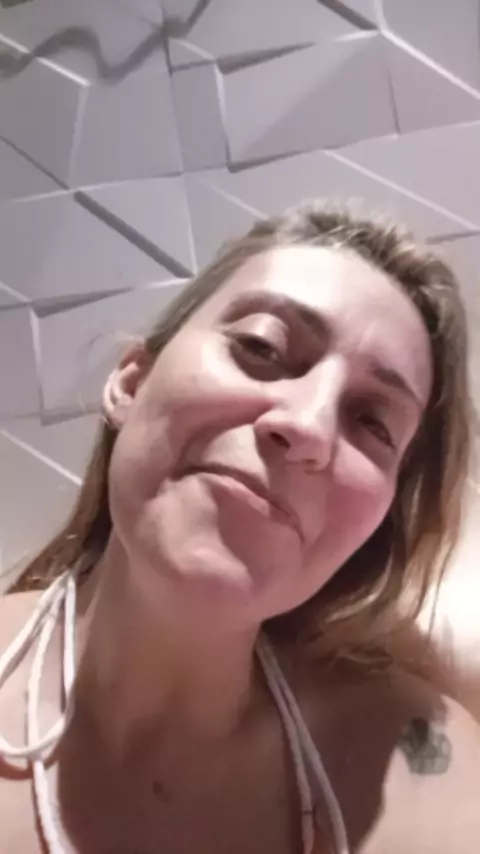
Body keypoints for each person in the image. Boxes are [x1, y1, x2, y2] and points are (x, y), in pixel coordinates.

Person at [0, 201, 479, 854]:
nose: (307, 425)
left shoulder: (429, 783)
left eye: (372, 421)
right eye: (261, 347)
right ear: (132, 382)